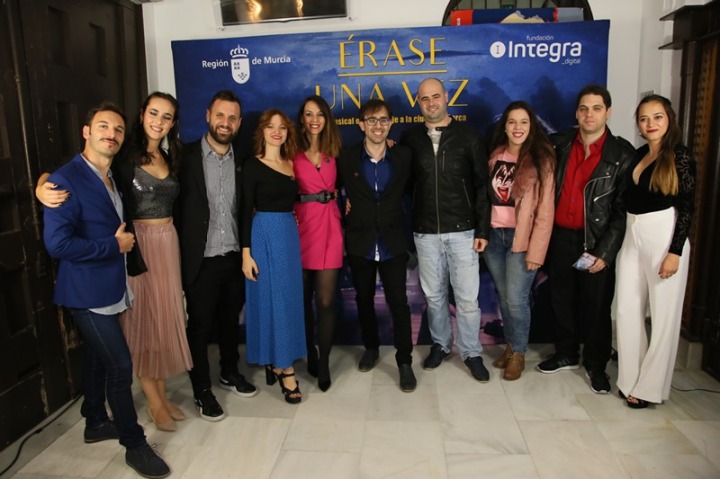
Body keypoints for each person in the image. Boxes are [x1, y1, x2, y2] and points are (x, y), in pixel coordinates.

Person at [37, 93, 194, 432]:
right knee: (146, 322)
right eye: (154, 113)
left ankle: (162, 395)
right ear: (142, 115)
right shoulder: (123, 154)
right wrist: (42, 184)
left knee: (164, 318)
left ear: (172, 123)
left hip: (167, 243)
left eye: (166, 116)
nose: (159, 121)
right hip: (137, 246)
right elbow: (77, 166)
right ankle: (152, 401)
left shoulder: (170, 156)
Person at [537, 84, 635, 395]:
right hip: (561, 238)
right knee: (560, 299)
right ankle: (567, 353)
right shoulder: (561, 144)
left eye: (596, 108)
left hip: (595, 241)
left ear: (608, 112)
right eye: (583, 108)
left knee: (596, 306)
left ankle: (596, 364)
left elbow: (621, 211)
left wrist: (604, 252)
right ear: (576, 113)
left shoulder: (622, 154)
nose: (589, 114)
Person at [399, 77, 491, 382]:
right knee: (434, 296)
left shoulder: (469, 137)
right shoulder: (410, 139)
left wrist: (482, 230)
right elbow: (403, 185)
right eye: (424, 98)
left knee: (467, 299)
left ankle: (471, 352)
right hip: (425, 232)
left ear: (446, 97)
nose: (431, 103)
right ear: (418, 102)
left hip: (463, 231)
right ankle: (440, 344)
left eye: (435, 96)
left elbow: (482, 187)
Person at [176, 90, 257, 422]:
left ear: (239, 123)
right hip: (201, 258)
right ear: (208, 115)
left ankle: (229, 371)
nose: (226, 123)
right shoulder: (183, 157)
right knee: (199, 326)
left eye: (232, 118)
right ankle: (201, 389)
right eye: (220, 115)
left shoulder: (244, 159)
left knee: (229, 321)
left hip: (234, 255)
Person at [615, 95, 695, 408]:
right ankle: (629, 379)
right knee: (626, 308)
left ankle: (649, 388)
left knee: (663, 315)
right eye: (644, 118)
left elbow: (687, 206)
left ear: (669, 119)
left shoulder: (680, 155)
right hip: (633, 233)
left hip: (664, 233)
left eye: (657, 117)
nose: (650, 124)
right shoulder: (639, 155)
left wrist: (675, 252)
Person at [337, 99, 417, 392]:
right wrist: (344, 204)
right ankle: (371, 348)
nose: (378, 126)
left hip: (393, 240)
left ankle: (404, 361)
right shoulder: (346, 158)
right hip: (360, 241)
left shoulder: (404, 156)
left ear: (391, 123)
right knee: (364, 299)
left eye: (383, 120)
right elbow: (332, 190)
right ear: (361, 125)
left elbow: (414, 191)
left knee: (399, 303)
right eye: (371, 120)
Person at [484, 101, 555, 381]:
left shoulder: (542, 160)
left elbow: (545, 211)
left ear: (531, 126)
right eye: (512, 122)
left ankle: (519, 353)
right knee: (504, 297)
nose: (517, 127)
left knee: (516, 299)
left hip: (521, 239)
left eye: (523, 122)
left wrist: (536, 252)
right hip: (494, 237)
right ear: (504, 126)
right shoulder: (495, 155)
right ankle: (511, 345)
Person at [241, 109, 306, 404]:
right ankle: (284, 368)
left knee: (287, 298)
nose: (277, 131)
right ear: (262, 132)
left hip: (288, 235)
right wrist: (246, 254)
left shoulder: (291, 163)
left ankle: (277, 358)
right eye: (271, 126)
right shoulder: (253, 166)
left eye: (282, 127)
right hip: (264, 235)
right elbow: (244, 211)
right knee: (273, 299)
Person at [294, 95, 343, 391]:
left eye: (320, 114)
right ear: (302, 119)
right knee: (302, 301)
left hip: (330, 228)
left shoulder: (336, 150)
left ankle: (324, 362)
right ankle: (310, 352)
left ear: (326, 119)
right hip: (300, 227)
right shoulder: (290, 152)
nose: (314, 119)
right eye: (309, 114)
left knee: (325, 300)